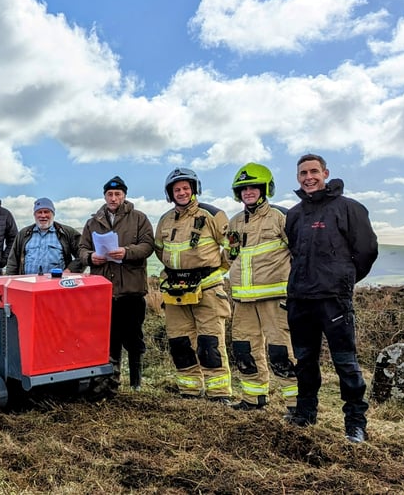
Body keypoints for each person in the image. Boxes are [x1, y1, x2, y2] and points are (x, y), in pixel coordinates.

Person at [284, 153, 378, 444]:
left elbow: (366, 252)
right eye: (303, 173)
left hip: (334, 300)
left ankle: (355, 424)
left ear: (325, 173)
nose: (308, 177)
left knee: (345, 363)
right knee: (304, 361)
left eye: (314, 171)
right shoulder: (295, 214)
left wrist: (342, 281)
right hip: (300, 298)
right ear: (298, 177)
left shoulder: (349, 208)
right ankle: (305, 414)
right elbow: (294, 251)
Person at [154, 168, 234, 403]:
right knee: (180, 342)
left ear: (194, 189)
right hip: (176, 290)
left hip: (207, 289)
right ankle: (189, 390)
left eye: (185, 188)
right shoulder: (165, 220)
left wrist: (218, 270)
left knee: (210, 342)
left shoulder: (213, 215)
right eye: (177, 189)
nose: (181, 192)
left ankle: (219, 394)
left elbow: (232, 246)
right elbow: (160, 249)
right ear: (170, 193)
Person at [226, 163, 298, 414]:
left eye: (254, 187)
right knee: (244, 350)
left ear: (265, 188)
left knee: (282, 352)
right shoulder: (235, 222)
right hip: (243, 301)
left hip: (275, 298)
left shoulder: (281, 217)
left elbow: (298, 253)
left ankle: (295, 404)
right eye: (243, 189)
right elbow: (231, 256)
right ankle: (253, 397)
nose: (248, 192)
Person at [79, 176, 154, 390]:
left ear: (124, 195)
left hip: (131, 289)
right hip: (104, 291)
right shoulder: (93, 222)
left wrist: (127, 252)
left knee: (133, 337)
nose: (113, 198)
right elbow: (81, 248)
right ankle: (112, 380)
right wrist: (90, 257)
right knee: (109, 338)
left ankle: (136, 383)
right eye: (110, 194)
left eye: (117, 194)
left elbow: (148, 245)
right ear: (104, 196)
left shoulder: (139, 218)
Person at [6, 197, 83, 275]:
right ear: (34, 214)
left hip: (57, 284)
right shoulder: (24, 234)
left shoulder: (67, 232)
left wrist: (70, 270)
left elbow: (83, 254)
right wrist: (9, 280)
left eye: (46, 212)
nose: (43, 215)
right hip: (28, 283)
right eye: (39, 212)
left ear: (53, 214)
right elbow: (13, 262)